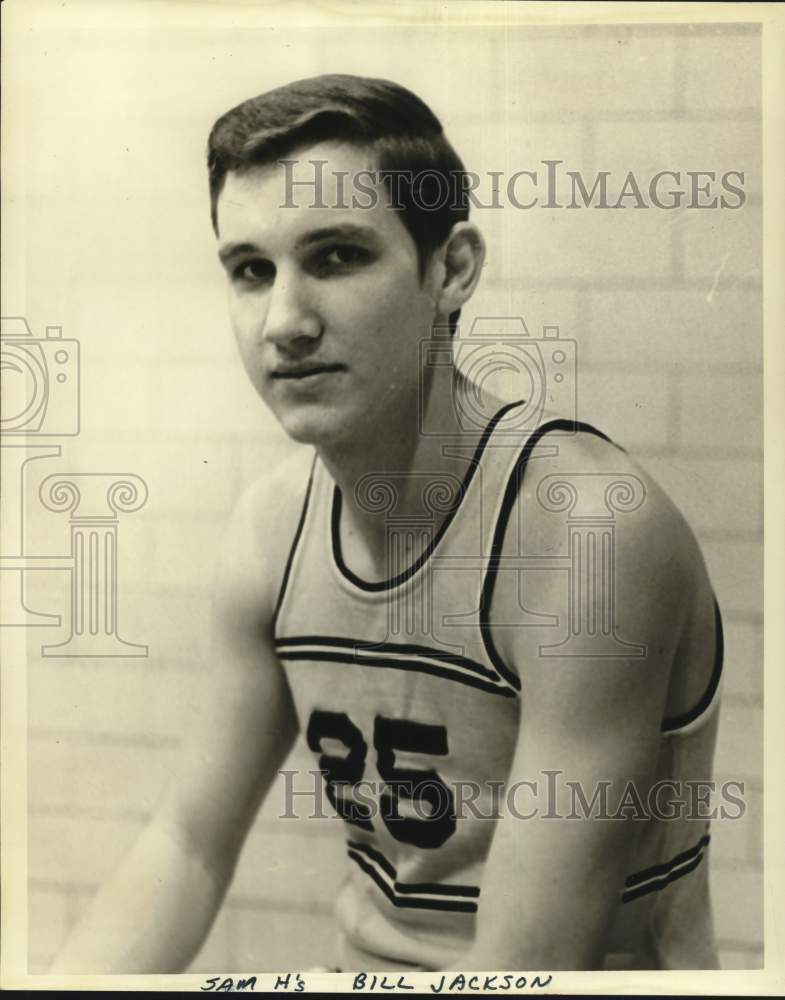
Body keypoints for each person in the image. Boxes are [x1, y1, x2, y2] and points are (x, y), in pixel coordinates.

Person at [51, 74, 723, 973]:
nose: (284, 322)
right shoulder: (272, 530)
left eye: (334, 257)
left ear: (449, 269)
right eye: (252, 270)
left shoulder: (588, 533)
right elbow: (187, 845)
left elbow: (523, 969)